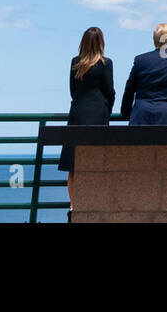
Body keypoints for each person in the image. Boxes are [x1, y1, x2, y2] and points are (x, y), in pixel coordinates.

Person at [59, 27, 114, 219]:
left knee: (73, 165)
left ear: (83, 42)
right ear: (101, 42)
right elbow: (110, 90)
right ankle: (94, 202)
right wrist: (106, 108)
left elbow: (72, 90)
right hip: (98, 114)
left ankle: (74, 206)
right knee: (97, 161)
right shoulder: (106, 63)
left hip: (77, 114)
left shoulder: (76, 62)